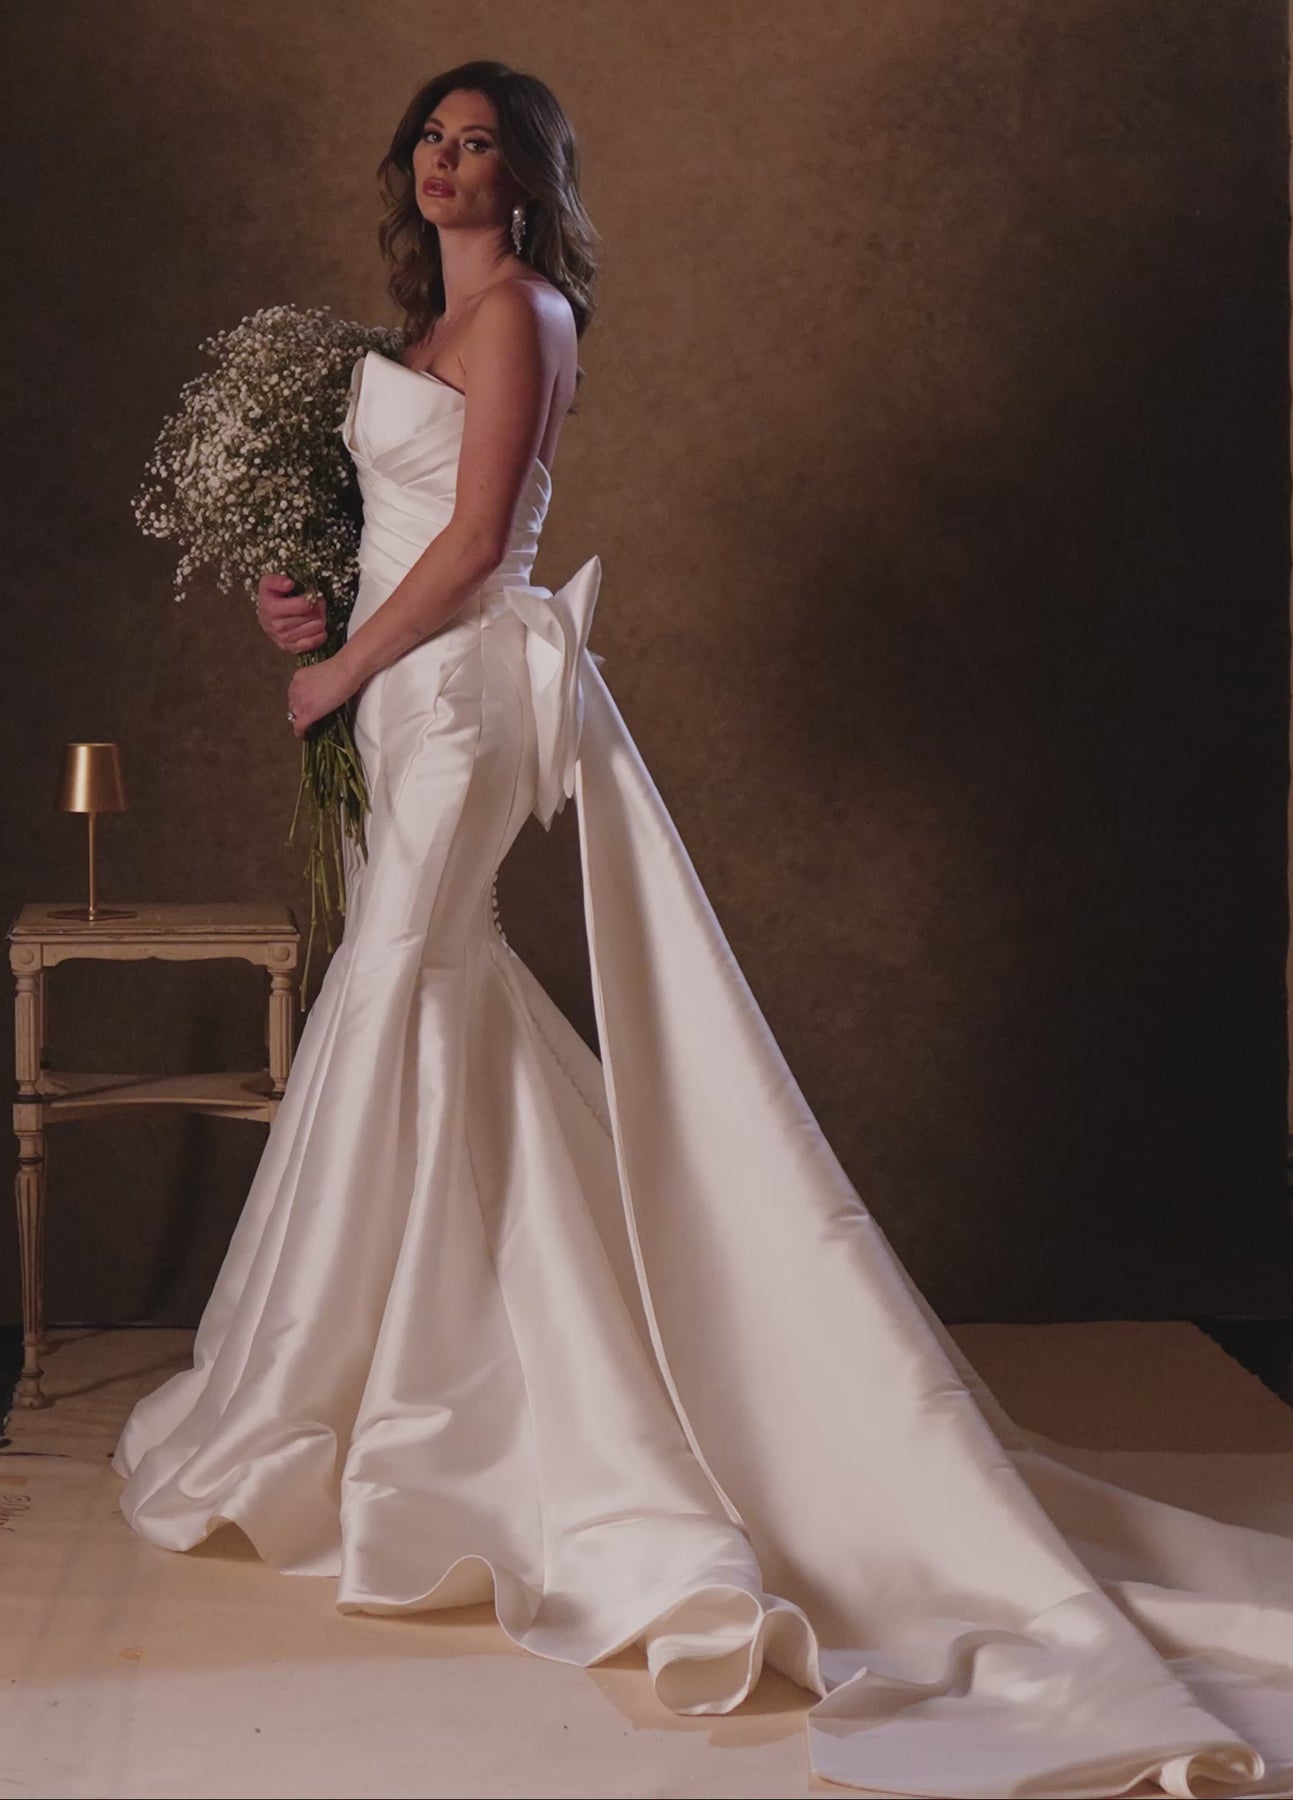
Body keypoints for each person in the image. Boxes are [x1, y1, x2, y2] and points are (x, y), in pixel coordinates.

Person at [113, 59, 1293, 1798]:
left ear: (530, 178)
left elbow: (481, 544)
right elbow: (388, 532)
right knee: (428, 1001)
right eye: (431, 138)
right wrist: (308, 605)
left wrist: (346, 662)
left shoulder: (523, 313)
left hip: (458, 698)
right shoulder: (413, 335)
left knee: (402, 986)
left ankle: (373, 1399)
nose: (448, 161)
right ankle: (424, 1374)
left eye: (482, 143)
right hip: (391, 695)